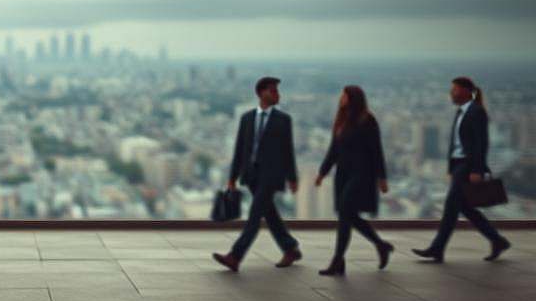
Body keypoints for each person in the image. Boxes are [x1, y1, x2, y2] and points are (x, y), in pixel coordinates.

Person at [412, 77, 510, 263]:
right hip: (459, 164)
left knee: (450, 207)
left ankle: (437, 249)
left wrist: (477, 169)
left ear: (466, 91)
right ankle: (498, 241)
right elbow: (455, 143)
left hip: (467, 165)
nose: (451, 93)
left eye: (455, 90)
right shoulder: (462, 112)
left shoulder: (476, 111)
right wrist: (451, 167)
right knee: (465, 207)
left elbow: (481, 143)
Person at [213, 76, 302, 272]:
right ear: (261, 93)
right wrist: (232, 178)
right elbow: (240, 149)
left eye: (278, 91)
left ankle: (235, 256)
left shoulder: (283, 120)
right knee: (270, 214)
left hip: (271, 175)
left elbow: (288, 150)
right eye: (273, 90)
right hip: (251, 175)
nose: (277, 94)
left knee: (254, 216)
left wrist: (292, 178)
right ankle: (290, 248)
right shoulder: (247, 118)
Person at [314, 86, 394, 276]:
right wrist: (322, 173)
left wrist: (382, 177)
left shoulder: (367, 120)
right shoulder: (341, 120)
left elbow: (376, 150)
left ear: (353, 98)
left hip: (362, 173)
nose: (341, 98)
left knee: (345, 212)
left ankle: (337, 260)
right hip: (343, 174)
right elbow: (333, 150)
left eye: (344, 95)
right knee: (347, 216)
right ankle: (380, 245)